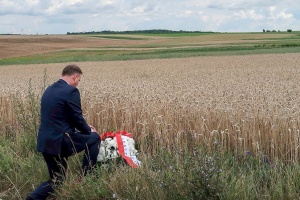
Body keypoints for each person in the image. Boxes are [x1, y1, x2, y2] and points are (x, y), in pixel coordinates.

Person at [26, 64, 101, 200]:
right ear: (75, 76)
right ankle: (87, 177)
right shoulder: (71, 91)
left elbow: (60, 116)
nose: (78, 83)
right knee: (95, 138)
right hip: (61, 141)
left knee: (57, 180)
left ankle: (32, 198)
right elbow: (77, 117)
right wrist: (88, 130)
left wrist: (82, 128)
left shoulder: (49, 90)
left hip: (46, 142)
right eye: (78, 80)